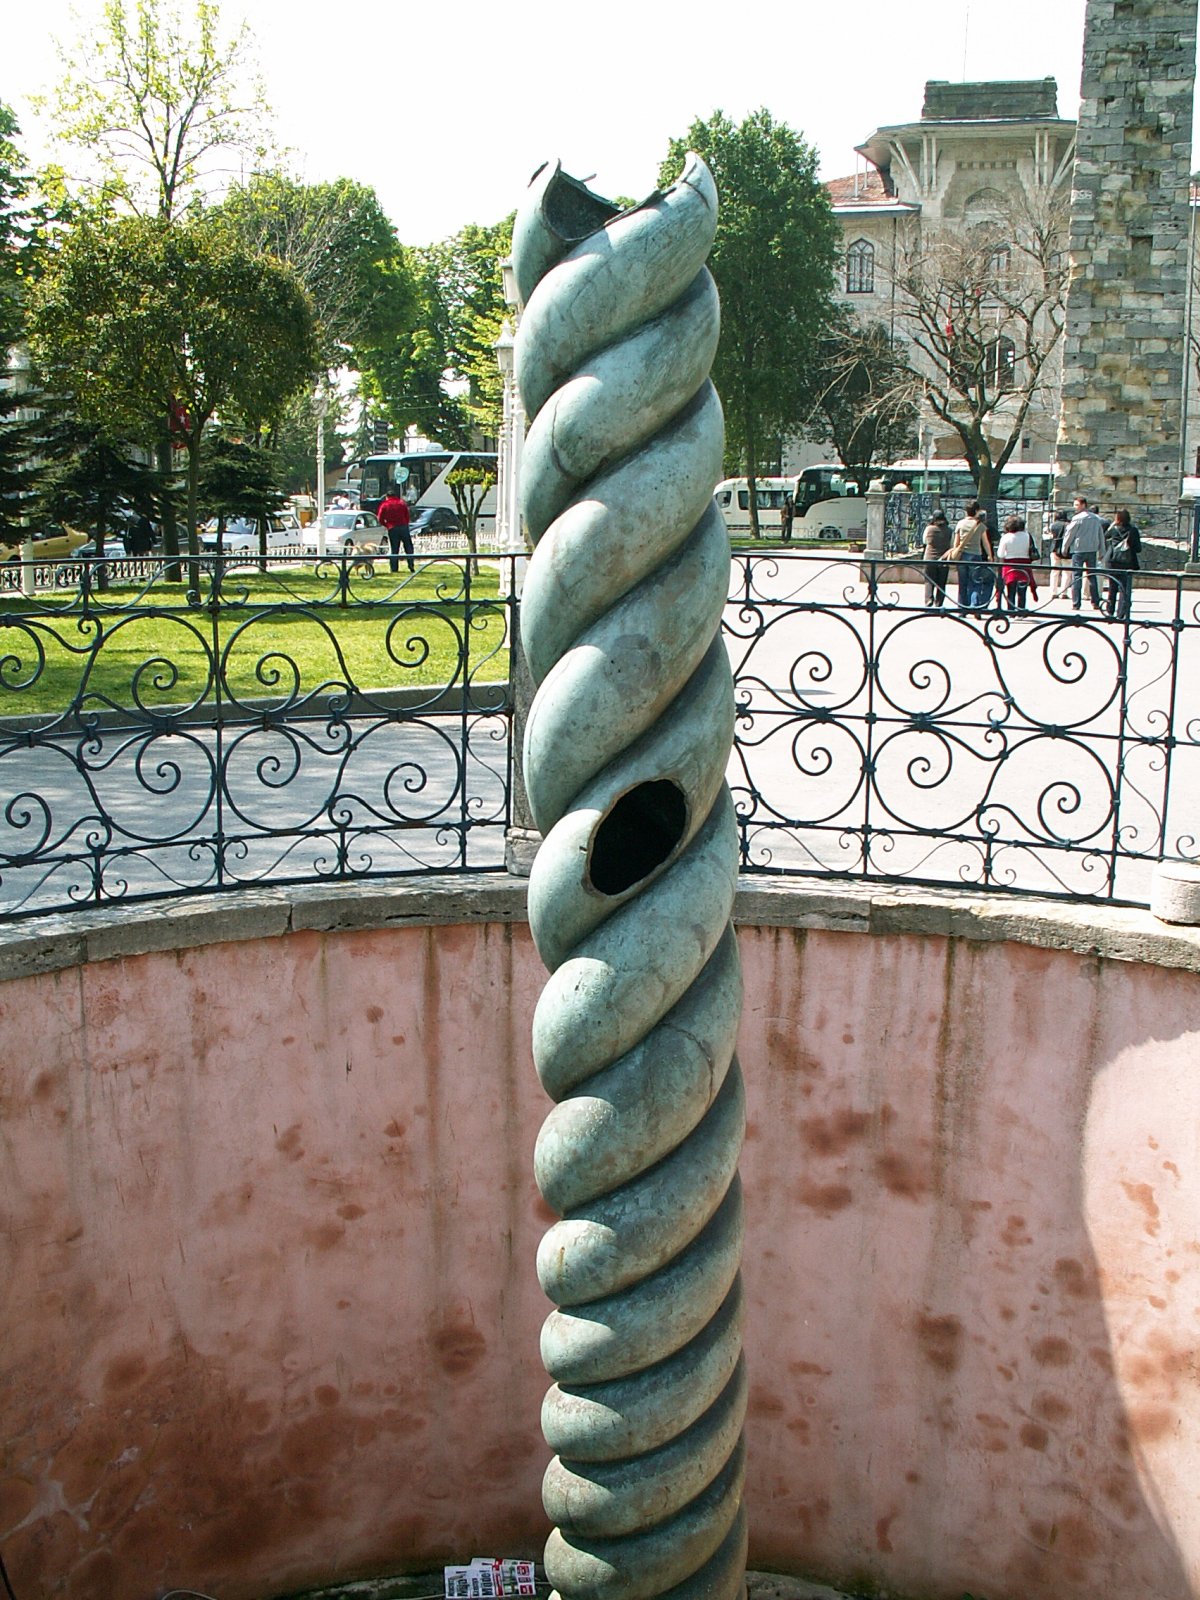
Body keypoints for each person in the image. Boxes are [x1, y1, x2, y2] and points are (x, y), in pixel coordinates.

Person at [1062, 494, 1105, 611]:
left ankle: (1076, 603)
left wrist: (1064, 548)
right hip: (1092, 549)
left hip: (1079, 550)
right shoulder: (1096, 519)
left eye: (1077, 505)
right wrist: (1102, 550)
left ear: (1083, 505)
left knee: (1077, 576)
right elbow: (1101, 535)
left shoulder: (1077, 518)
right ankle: (1095, 602)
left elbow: (1069, 535)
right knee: (1092, 576)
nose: (1075, 507)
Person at [952, 500, 994, 611]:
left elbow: (956, 543)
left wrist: (955, 553)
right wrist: (990, 556)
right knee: (975, 582)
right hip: (976, 555)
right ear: (976, 511)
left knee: (962, 583)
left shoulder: (960, 524)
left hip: (962, 556)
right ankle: (974, 606)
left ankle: (962, 608)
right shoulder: (980, 525)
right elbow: (985, 542)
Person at [1103, 507, 1141, 620]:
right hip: (1127, 563)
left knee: (1112, 587)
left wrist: (1113, 524)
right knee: (1124, 589)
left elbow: (1105, 536)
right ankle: (1121, 613)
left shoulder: (1114, 529)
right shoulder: (1133, 530)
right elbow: (1138, 548)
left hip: (1113, 561)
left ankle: (1110, 611)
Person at [996, 513, 1038, 611]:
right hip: (1024, 564)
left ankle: (1010, 610)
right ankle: (1021, 609)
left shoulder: (1006, 537)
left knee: (1011, 590)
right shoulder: (1027, 536)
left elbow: (1000, 554)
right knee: (1022, 591)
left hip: (1010, 565)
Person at [377, 485, 414, 573]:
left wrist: (387, 525)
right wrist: (405, 524)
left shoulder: (384, 505)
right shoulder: (402, 503)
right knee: (408, 547)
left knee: (394, 549)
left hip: (392, 528)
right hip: (403, 527)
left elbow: (380, 518)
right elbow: (407, 515)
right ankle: (411, 565)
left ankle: (394, 568)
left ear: (387, 497)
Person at [922, 509, 953, 607]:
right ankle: (939, 602)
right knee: (941, 582)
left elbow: (924, 541)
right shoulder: (949, 530)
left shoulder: (929, 529)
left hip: (930, 557)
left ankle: (928, 600)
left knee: (929, 580)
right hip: (944, 559)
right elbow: (952, 545)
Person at [1046, 507, 1070, 599]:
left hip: (1054, 549)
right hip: (1066, 550)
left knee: (1054, 572)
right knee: (1067, 572)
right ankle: (1064, 592)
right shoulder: (1068, 525)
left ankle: (1053, 591)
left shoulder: (1053, 525)